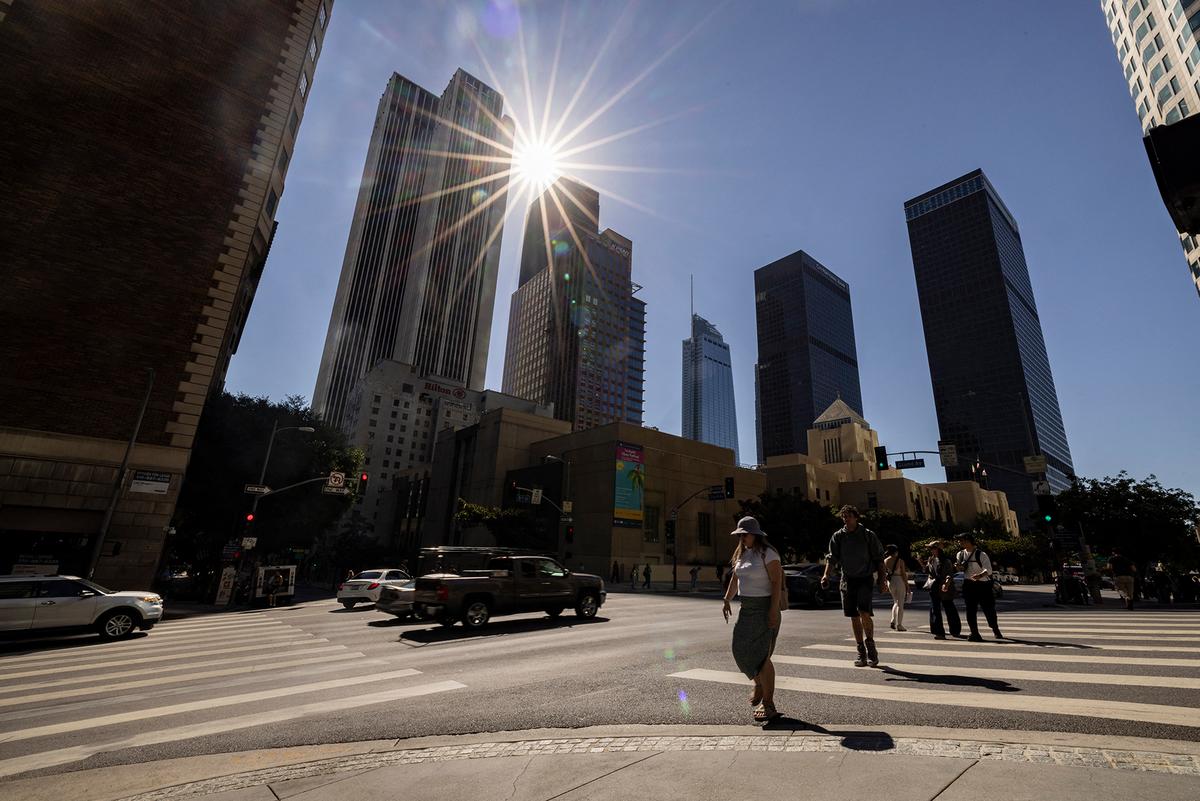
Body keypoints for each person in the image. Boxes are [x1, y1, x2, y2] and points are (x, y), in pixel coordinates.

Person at [722, 516, 785, 722]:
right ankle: (758, 683)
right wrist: (727, 599)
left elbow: (776, 583)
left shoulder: (769, 554)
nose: (742, 538)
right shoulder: (742, 554)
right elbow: (736, 578)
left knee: (761, 656)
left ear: (755, 535)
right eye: (739, 535)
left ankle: (768, 703)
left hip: (765, 607)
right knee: (739, 650)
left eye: (745, 534)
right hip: (747, 609)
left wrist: (773, 611)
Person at [821, 505, 887, 667]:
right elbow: (832, 558)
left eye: (849, 516)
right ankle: (861, 652)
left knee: (864, 612)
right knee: (853, 615)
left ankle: (871, 649)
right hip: (847, 579)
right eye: (844, 517)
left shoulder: (867, 535)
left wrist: (882, 580)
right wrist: (826, 575)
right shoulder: (838, 536)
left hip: (864, 578)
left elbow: (879, 558)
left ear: (856, 517)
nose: (846, 519)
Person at [955, 533, 1002, 641]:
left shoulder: (981, 554)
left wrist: (979, 575)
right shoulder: (960, 554)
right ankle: (974, 632)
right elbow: (961, 569)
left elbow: (989, 570)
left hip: (983, 585)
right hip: (968, 584)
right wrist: (958, 567)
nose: (960, 543)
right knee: (970, 610)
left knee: (989, 609)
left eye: (961, 540)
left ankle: (995, 628)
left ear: (968, 541)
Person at [924, 540, 961, 640]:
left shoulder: (946, 561)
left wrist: (946, 584)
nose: (931, 550)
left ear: (938, 549)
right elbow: (928, 571)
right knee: (934, 609)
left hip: (945, 587)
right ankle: (939, 632)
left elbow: (949, 574)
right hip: (934, 586)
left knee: (949, 608)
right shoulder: (931, 559)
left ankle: (955, 630)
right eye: (930, 548)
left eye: (933, 548)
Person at [883, 544, 909, 631]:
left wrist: (885, 584)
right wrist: (907, 586)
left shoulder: (885, 561)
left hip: (890, 581)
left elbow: (883, 574)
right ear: (895, 552)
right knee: (900, 603)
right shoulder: (900, 561)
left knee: (895, 601)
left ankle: (893, 620)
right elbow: (904, 574)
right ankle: (899, 624)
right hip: (899, 580)